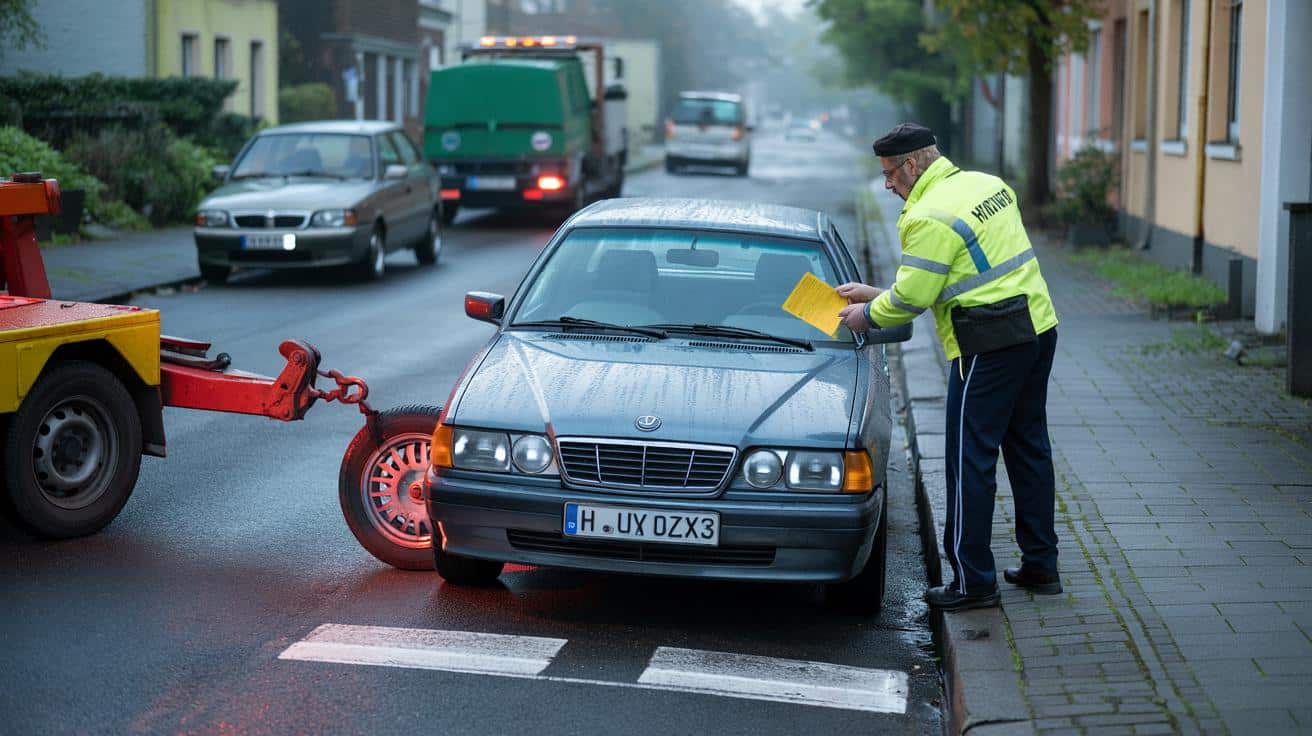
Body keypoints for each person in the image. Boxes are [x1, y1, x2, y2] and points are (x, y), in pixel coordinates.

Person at [837, 123, 1061, 611]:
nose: (887, 184)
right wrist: (878, 294)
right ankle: (1041, 563)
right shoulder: (988, 185)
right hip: (1037, 327)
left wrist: (867, 314)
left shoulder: (927, 215)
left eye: (890, 173)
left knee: (967, 459)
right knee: (1028, 448)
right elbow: (952, 275)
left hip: (987, 343)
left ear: (912, 164)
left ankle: (973, 581)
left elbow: (913, 298)